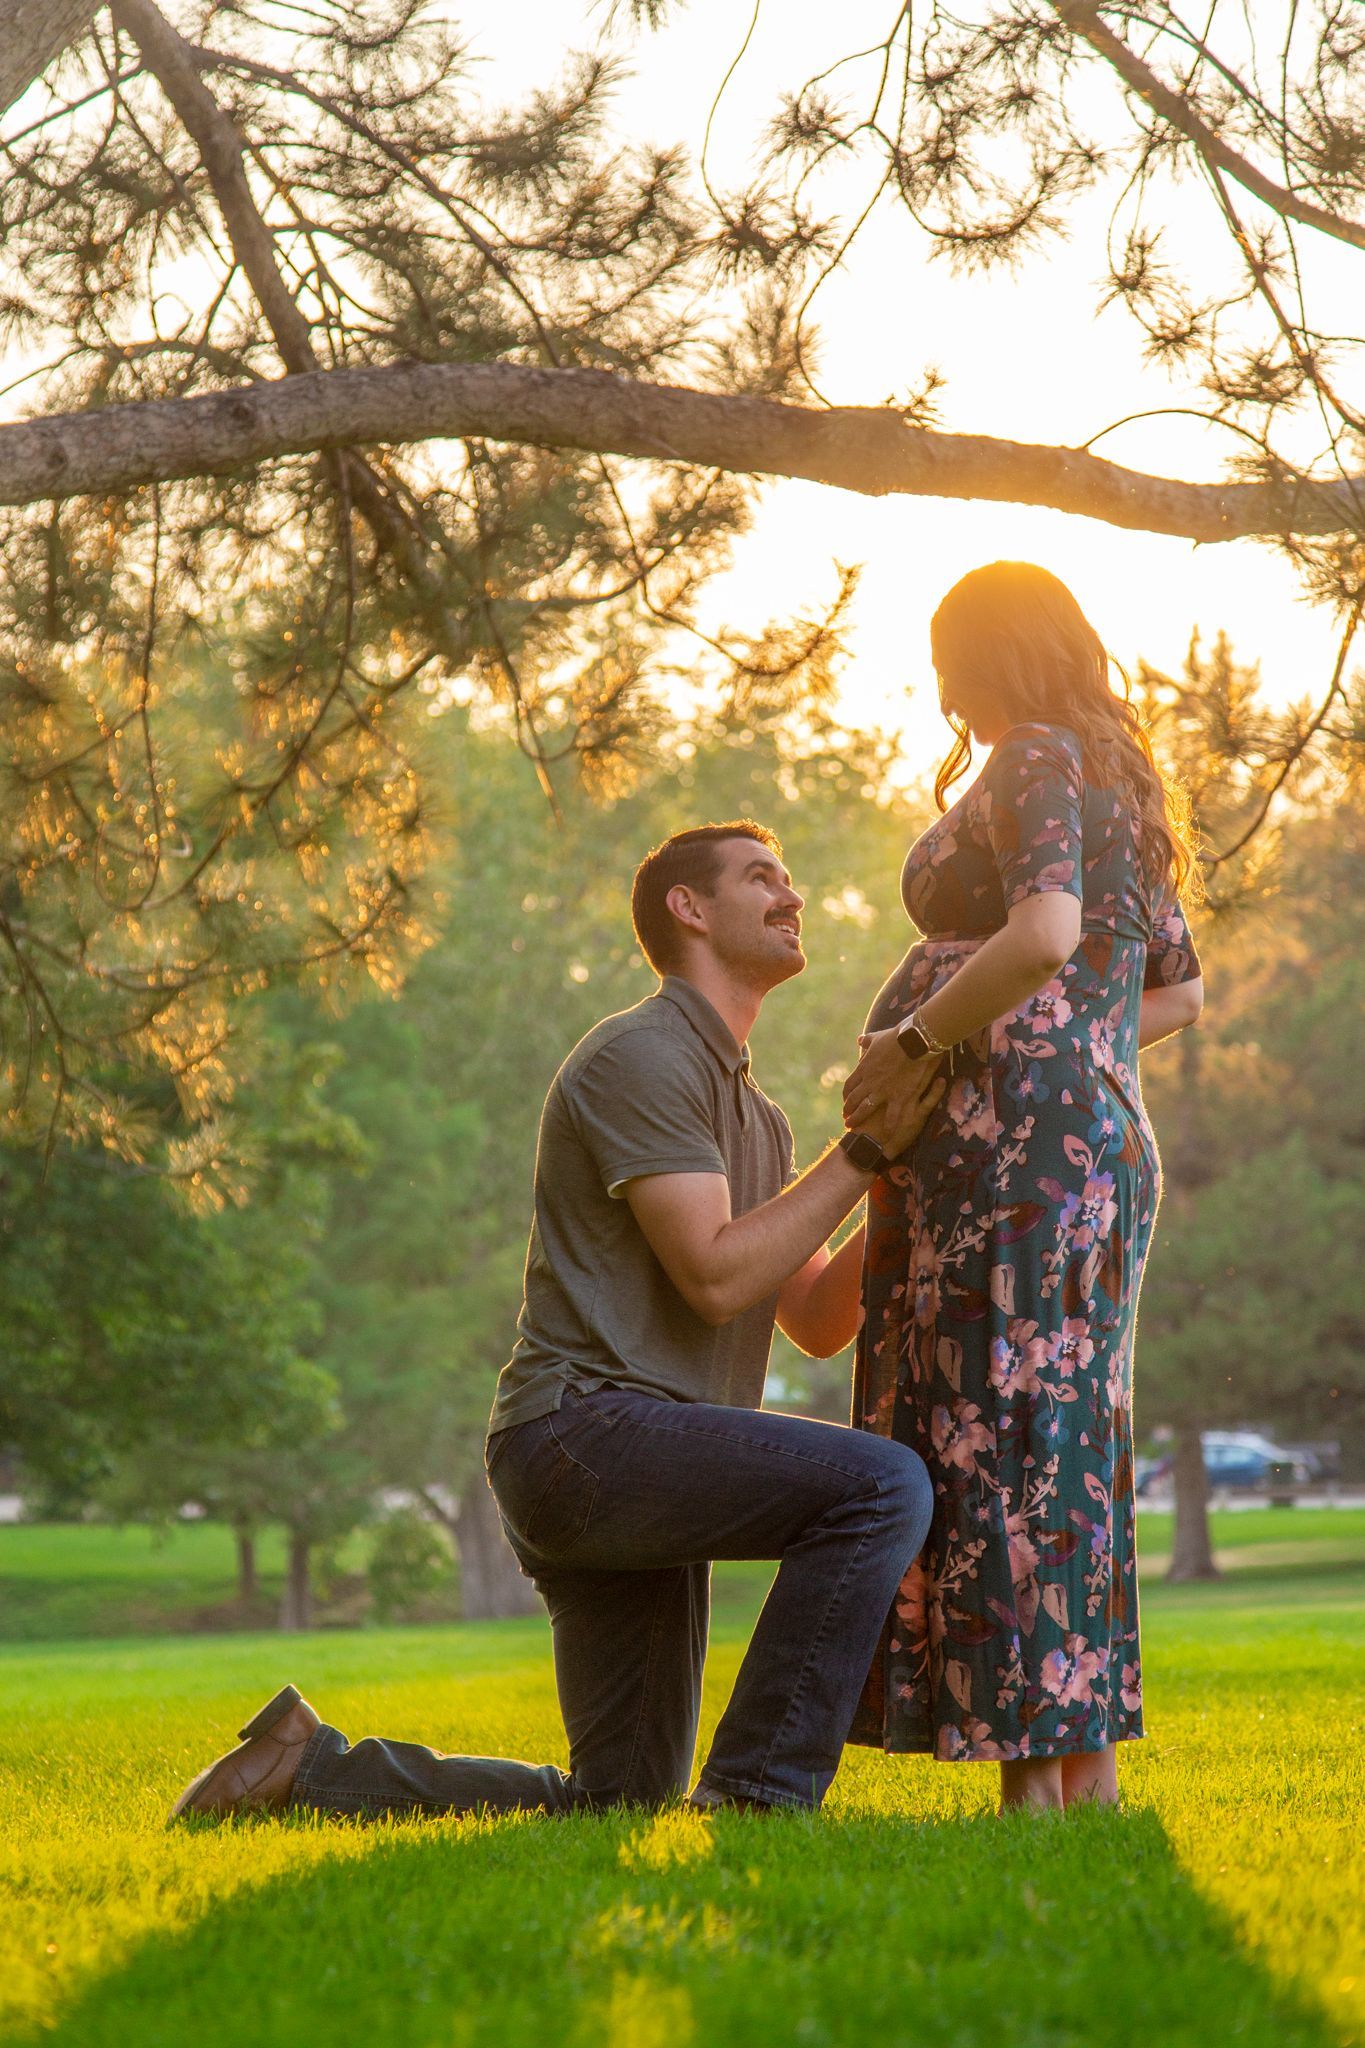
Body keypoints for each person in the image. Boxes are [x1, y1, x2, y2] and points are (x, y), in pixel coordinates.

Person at [171, 822, 941, 1824]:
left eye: (790, 878)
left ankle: (306, 1768)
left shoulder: (760, 1121)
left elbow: (814, 1317)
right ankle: (758, 1792)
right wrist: (865, 1151)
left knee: (619, 1797)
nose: (792, 896)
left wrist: (909, 1171)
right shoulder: (640, 1055)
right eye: (763, 878)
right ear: (689, 907)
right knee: (882, 1485)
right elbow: (713, 1276)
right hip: (584, 1437)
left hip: (642, 1462)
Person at [841, 562, 1204, 1812]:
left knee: (994, 1441)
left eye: (946, 656)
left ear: (980, 654)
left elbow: (1046, 932)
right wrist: (1072, 1041)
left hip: (1015, 1156)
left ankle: (1034, 1797)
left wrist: (932, 1043)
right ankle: (1076, 1784)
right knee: (1060, 1448)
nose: (939, 686)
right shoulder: (1120, 777)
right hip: (1088, 1143)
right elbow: (1174, 991)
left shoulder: (1037, 756)